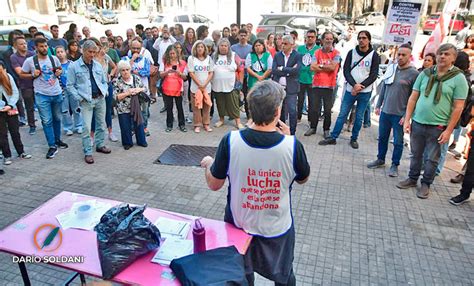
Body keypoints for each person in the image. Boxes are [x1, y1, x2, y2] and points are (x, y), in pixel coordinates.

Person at [200, 80, 310, 286]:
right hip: (277, 229)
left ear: (249, 108)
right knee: (284, 276)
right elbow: (303, 178)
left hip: (240, 225)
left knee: (241, 275)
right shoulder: (292, 145)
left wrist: (208, 164)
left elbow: (214, 184)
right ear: (278, 112)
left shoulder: (230, 141)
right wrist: (288, 140)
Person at [396, 43, 468, 199]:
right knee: (415, 154)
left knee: (432, 158)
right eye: (440, 53)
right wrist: (407, 119)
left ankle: (426, 183)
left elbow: (458, 107)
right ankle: (412, 178)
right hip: (418, 122)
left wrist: (449, 130)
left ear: (453, 58)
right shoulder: (426, 74)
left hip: (439, 126)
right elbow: (413, 97)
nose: (442, 56)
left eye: (447, 54)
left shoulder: (458, 78)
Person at [319, 30, 380, 149]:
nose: (361, 40)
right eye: (359, 38)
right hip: (350, 89)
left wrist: (360, 86)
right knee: (342, 114)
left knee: (359, 117)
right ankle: (333, 137)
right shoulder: (352, 53)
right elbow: (346, 70)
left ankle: (354, 138)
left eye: (364, 38)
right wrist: (354, 85)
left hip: (365, 91)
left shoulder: (374, 55)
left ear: (369, 40)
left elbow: (373, 75)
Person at [366, 44, 419, 177]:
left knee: (398, 141)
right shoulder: (392, 68)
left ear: (409, 56)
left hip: (399, 115)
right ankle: (380, 159)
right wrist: (378, 105)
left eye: (403, 55)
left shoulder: (414, 74)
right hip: (386, 112)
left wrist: (407, 116)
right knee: (382, 137)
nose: (400, 57)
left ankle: (395, 164)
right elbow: (384, 87)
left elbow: (415, 97)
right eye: (399, 54)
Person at [21, 37, 68, 159]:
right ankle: (52, 145)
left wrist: (59, 72)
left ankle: (57, 140)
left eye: (46, 46)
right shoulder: (30, 61)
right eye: (41, 46)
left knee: (57, 118)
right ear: (36, 48)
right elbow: (21, 74)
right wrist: (32, 74)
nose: (44, 48)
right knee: (47, 121)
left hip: (56, 92)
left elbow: (60, 69)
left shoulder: (54, 58)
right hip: (42, 94)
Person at [67, 40, 111, 164]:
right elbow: (70, 85)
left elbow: (104, 81)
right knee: (86, 127)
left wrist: (105, 91)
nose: (92, 54)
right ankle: (87, 151)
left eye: (94, 52)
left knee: (101, 123)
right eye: (89, 52)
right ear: (83, 51)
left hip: (100, 98)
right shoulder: (74, 66)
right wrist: (79, 98)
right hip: (86, 100)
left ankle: (100, 144)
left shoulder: (97, 65)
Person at [306, 31, 341, 138]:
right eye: (327, 38)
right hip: (317, 84)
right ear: (322, 40)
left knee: (327, 110)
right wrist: (325, 66)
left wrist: (319, 66)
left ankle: (326, 130)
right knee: (314, 109)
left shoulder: (336, 53)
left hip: (329, 86)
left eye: (331, 39)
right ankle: (313, 127)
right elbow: (312, 67)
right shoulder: (317, 52)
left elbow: (332, 68)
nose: (329, 41)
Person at [0, 60, 32, 165]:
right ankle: (6, 155)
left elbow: (15, 92)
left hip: (11, 108)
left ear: (4, 69)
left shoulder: (9, 77)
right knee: (2, 134)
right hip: (0, 111)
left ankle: (21, 152)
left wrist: (10, 105)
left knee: (15, 132)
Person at [113, 60, 147, 150]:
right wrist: (127, 93)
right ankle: (127, 143)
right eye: (123, 70)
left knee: (139, 124)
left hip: (136, 106)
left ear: (130, 69)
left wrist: (138, 90)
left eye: (127, 69)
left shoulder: (136, 78)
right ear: (120, 71)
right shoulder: (117, 82)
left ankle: (141, 141)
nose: (125, 72)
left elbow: (144, 88)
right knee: (125, 126)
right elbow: (115, 97)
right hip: (123, 108)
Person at [271, 35, 302, 135]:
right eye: (282, 43)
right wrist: (289, 70)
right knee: (279, 111)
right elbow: (274, 70)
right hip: (279, 88)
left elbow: (296, 71)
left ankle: (292, 132)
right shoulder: (277, 55)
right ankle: (280, 130)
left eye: (285, 44)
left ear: (292, 45)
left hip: (291, 88)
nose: (283, 45)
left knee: (292, 111)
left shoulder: (297, 55)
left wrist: (282, 68)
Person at [124, 37, 154, 136]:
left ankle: (144, 127)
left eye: (138, 48)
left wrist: (137, 72)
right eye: (134, 48)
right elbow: (124, 70)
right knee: (131, 111)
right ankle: (133, 128)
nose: (136, 50)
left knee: (144, 111)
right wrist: (132, 60)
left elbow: (147, 72)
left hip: (143, 89)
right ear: (130, 47)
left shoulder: (145, 59)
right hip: (129, 89)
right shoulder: (125, 59)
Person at [212, 38, 244, 129]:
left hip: (231, 85)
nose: (223, 47)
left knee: (233, 103)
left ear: (228, 47)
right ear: (218, 47)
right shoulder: (214, 56)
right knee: (220, 103)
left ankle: (238, 121)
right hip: (217, 85)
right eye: (221, 45)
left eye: (225, 46)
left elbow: (241, 68)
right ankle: (221, 120)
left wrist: (240, 82)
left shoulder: (234, 55)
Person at [10, 36, 36, 134]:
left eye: (25, 43)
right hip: (25, 85)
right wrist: (33, 74)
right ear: (15, 46)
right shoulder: (14, 57)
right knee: (29, 107)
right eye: (21, 44)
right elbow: (20, 73)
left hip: (38, 83)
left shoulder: (32, 54)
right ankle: (32, 125)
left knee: (42, 105)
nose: (24, 45)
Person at [94, 38, 118, 142]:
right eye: (101, 47)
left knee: (108, 109)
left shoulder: (106, 57)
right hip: (96, 87)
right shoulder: (92, 58)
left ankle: (110, 132)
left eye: (105, 48)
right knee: (95, 111)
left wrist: (111, 74)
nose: (103, 50)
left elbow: (114, 66)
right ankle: (92, 135)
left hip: (107, 85)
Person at [55, 45, 83, 136]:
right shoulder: (55, 66)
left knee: (77, 108)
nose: (60, 54)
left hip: (73, 88)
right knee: (64, 110)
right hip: (62, 89)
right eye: (58, 52)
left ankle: (79, 125)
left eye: (61, 51)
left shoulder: (72, 64)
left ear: (65, 52)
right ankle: (68, 127)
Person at [160, 45, 188, 132]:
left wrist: (179, 73)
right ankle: (169, 125)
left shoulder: (182, 63)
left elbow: (185, 77)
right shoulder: (164, 62)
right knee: (169, 107)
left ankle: (182, 124)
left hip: (178, 88)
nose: (172, 55)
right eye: (170, 53)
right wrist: (167, 72)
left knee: (180, 107)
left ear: (177, 53)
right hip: (167, 88)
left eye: (173, 53)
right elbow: (161, 75)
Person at [188, 40, 214, 133]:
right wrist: (199, 84)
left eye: (202, 47)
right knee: (196, 107)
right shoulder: (191, 58)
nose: (200, 49)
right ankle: (197, 125)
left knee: (207, 106)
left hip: (206, 87)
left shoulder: (209, 59)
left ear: (205, 49)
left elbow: (211, 72)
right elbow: (191, 73)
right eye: (198, 47)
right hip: (195, 88)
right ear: (195, 48)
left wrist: (205, 84)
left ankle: (206, 124)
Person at [296, 29, 319, 130]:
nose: (310, 38)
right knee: (300, 99)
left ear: (315, 38)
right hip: (301, 78)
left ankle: (310, 120)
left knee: (312, 101)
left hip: (312, 79)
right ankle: (298, 117)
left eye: (312, 37)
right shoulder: (300, 48)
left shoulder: (318, 50)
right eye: (308, 36)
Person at [231, 29, 252, 119]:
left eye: (244, 35)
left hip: (248, 75)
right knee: (235, 95)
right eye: (241, 35)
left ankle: (248, 115)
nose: (243, 37)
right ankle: (234, 115)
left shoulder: (251, 48)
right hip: (236, 76)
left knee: (247, 95)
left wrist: (241, 61)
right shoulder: (233, 48)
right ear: (238, 36)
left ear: (247, 36)